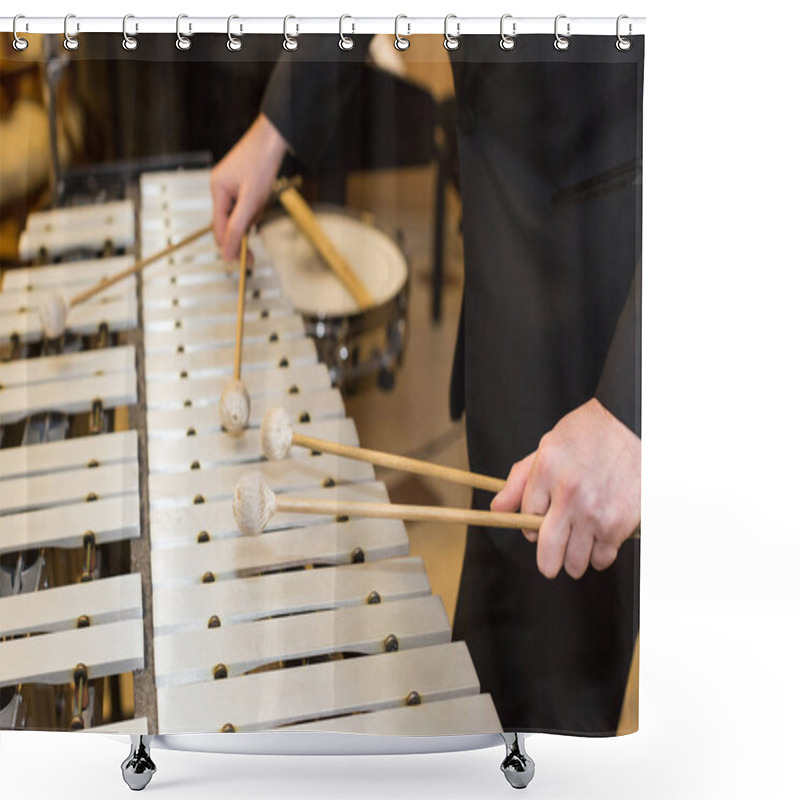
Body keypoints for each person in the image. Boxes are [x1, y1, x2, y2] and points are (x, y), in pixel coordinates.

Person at [211, 34, 642, 735]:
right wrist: (280, 122)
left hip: (606, 311)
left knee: (554, 695)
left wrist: (634, 408)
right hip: (509, 269)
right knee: (488, 673)